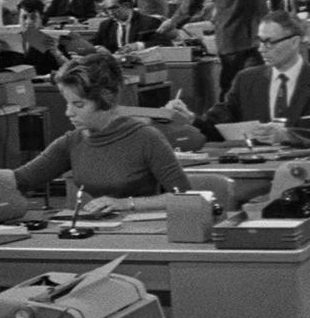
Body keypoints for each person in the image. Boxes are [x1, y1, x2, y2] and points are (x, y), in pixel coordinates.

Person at [10, 54, 189, 210]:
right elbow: (21, 179)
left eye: (79, 105)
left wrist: (126, 204)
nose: (68, 112)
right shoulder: (72, 141)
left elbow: (185, 196)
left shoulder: (147, 138)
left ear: (105, 100)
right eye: (68, 103)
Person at [167, 11, 310, 147]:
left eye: (270, 42)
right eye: (260, 41)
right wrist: (191, 118)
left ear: (295, 42)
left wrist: (287, 135)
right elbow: (216, 127)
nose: (262, 49)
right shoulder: (246, 80)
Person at [0, 0, 69, 75]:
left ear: (41, 18)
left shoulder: (50, 38)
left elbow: (70, 69)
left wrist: (56, 53)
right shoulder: (11, 39)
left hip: (43, 82)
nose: (28, 22)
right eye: (24, 17)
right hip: (16, 82)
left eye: (33, 18)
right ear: (18, 18)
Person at [93, 0, 167, 53]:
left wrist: (138, 46)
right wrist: (98, 48)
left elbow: (164, 43)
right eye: (107, 9)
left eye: (113, 8)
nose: (110, 13)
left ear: (127, 5)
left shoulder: (150, 22)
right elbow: (95, 44)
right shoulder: (105, 25)